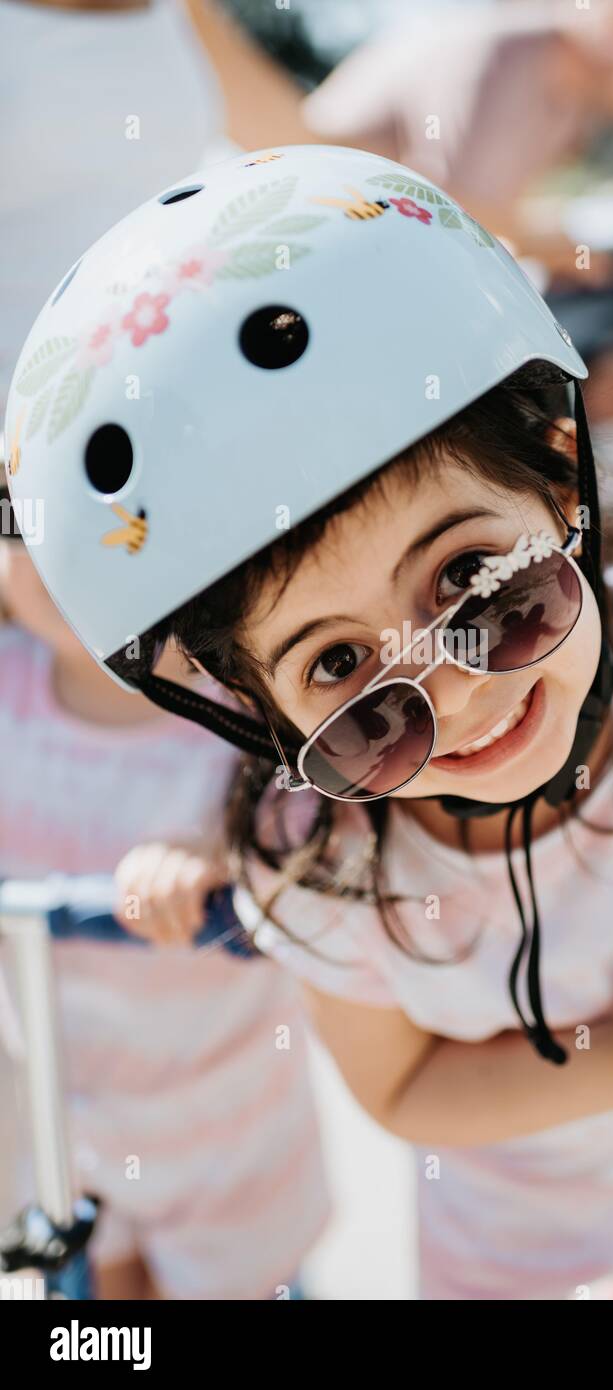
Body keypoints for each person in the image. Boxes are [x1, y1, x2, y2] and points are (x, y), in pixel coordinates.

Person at [7, 144, 613, 1301]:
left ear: (565, 483)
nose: (455, 693)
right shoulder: (322, 864)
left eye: (483, 585)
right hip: (505, 1244)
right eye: (342, 666)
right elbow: (400, 1088)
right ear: (258, 712)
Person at [0, 477, 330, 1299]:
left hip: (227, 1111)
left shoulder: (242, 706)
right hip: (60, 1106)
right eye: (30, 536)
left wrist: (223, 849)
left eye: (101, 533)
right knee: (98, 1295)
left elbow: (319, 839)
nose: (63, 562)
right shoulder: (7, 684)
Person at [303, 0, 613, 282]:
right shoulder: (502, 52)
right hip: (311, 239)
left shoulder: (575, 105)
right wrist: (560, 249)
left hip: (366, 258)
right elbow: (453, 223)